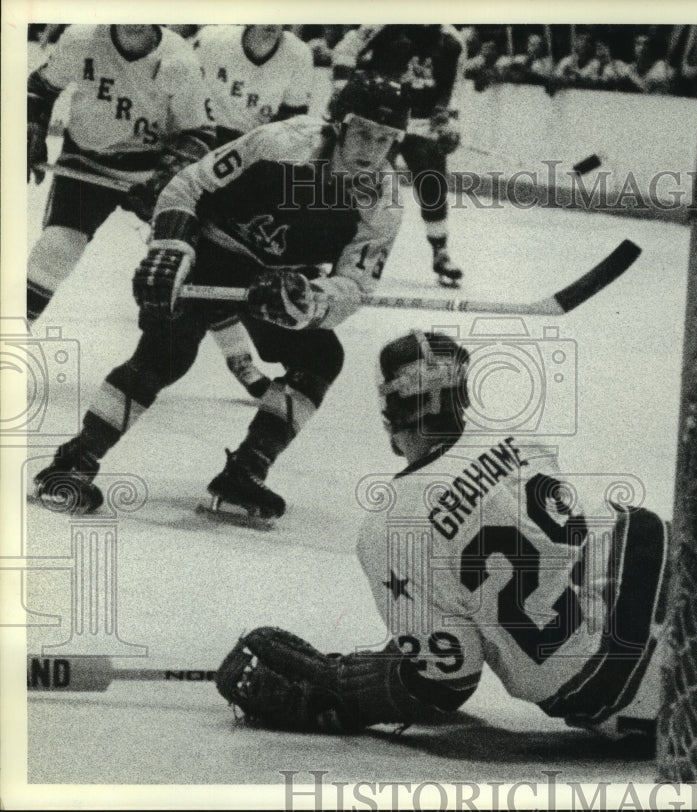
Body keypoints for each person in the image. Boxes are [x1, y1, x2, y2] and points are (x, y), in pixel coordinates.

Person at [213, 328, 697, 756]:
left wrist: (352, 692)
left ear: (389, 418)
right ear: (465, 394)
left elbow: (444, 684)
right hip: (675, 566)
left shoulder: (387, 532)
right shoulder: (518, 438)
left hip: (633, 686)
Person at [32, 74, 411, 522]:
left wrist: (309, 299)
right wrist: (171, 247)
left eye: (385, 138)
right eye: (363, 132)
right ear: (338, 125)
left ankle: (245, 472)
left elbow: (356, 283)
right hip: (209, 253)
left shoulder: (382, 201)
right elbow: (187, 185)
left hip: (277, 280)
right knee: (165, 355)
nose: (371, 148)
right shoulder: (278, 142)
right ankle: (71, 465)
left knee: (321, 356)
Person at [26, 24, 214, 324]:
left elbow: (200, 132)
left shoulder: (180, 60)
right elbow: (40, 87)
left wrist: (167, 176)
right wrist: (31, 126)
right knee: (56, 251)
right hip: (86, 161)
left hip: (151, 173)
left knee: (181, 269)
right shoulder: (81, 39)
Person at [190, 24, 315, 398]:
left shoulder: (298, 55)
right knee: (201, 263)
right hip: (202, 148)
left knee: (259, 260)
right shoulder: (212, 40)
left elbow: (291, 130)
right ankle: (239, 360)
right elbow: (180, 101)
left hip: (255, 159)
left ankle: (290, 350)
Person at [331, 25, 466, 288]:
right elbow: (347, 48)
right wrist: (343, 90)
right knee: (367, 185)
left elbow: (455, 85)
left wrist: (449, 121)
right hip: (381, 120)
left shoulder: (453, 41)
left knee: (432, 186)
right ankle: (340, 246)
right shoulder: (385, 21)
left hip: (421, 123)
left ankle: (440, 251)